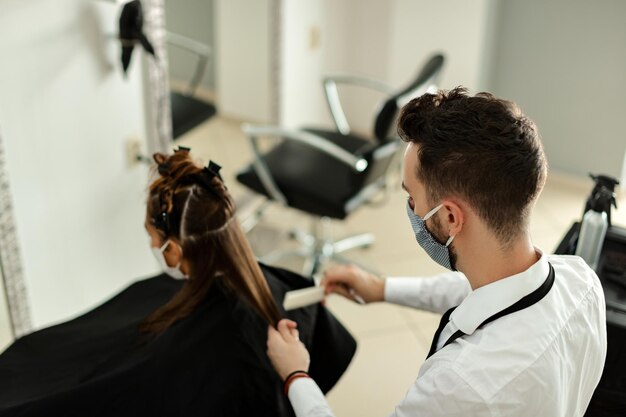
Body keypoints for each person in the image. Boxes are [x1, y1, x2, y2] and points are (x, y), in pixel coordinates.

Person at [267, 87, 607, 417]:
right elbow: (482, 293)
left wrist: (297, 376)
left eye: (412, 199)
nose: (412, 211)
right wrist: (381, 289)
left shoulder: (461, 385)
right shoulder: (582, 281)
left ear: (449, 217)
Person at [0, 149, 356, 416]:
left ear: (179, 247)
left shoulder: (227, 339)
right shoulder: (271, 282)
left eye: (155, 237)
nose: (154, 246)